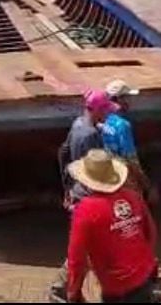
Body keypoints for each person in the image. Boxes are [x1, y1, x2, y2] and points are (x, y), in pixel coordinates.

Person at [65, 149, 160, 303]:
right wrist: (148, 264)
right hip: (143, 274)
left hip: (116, 285)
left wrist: (73, 291)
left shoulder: (85, 210)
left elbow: (76, 257)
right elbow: (151, 233)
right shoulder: (133, 197)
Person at [51, 89, 116, 301]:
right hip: (90, 193)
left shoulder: (77, 124)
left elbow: (63, 152)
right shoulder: (92, 136)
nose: (107, 114)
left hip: (77, 188)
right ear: (96, 110)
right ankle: (64, 288)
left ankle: (70, 289)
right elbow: (97, 168)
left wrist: (67, 187)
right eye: (105, 110)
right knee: (89, 248)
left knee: (83, 245)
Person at [102, 80, 157, 204]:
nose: (131, 101)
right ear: (120, 99)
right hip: (124, 176)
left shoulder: (104, 119)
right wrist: (147, 185)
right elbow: (132, 160)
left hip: (109, 173)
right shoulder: (123, 125)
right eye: (128, 97)